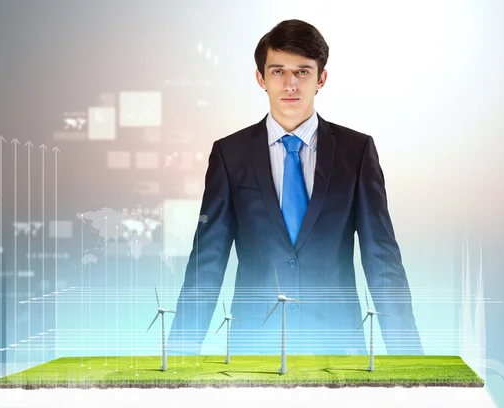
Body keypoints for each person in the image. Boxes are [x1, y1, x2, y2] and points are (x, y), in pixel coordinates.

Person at [168, 19, 423, 356]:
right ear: (261, 78)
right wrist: (176, 358)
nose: (290, 84)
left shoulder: (356, 151)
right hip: (253, 347)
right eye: (278, 72)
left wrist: (412, 361)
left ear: (321, 78)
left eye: (302, 72)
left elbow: (382, 259)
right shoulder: (230, 154)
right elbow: (207, 263)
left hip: (339, 346)